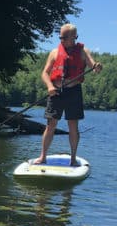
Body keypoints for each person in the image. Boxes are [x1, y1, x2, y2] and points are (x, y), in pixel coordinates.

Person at [34, 23, 102, 166]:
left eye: (64, 37)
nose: (62, 40)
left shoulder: (83, 51)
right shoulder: (54, 52)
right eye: (60, 37)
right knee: (51, 124)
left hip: (74, 92)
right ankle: (43, 156)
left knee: (73, 125)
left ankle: (73, 159)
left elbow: (93, 65)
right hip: (56, 92)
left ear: (74, 37)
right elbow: (45, 73)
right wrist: (50, 86)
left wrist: (97, 66)